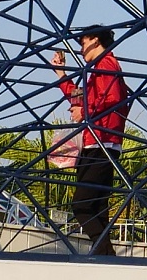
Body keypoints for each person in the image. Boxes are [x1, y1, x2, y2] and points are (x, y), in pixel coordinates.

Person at [51, 25, 129, 256]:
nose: (81, 49)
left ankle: (105, 253)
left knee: (83, 205)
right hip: (101, 143)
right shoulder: (100, 69)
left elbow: (111, 100)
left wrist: (84, 113)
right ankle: (105, 254)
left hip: (100, 143)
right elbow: (83, 97)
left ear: (95, 40)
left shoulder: (105, 65)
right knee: (96, 207)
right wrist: (62, 76)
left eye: (83, 43)